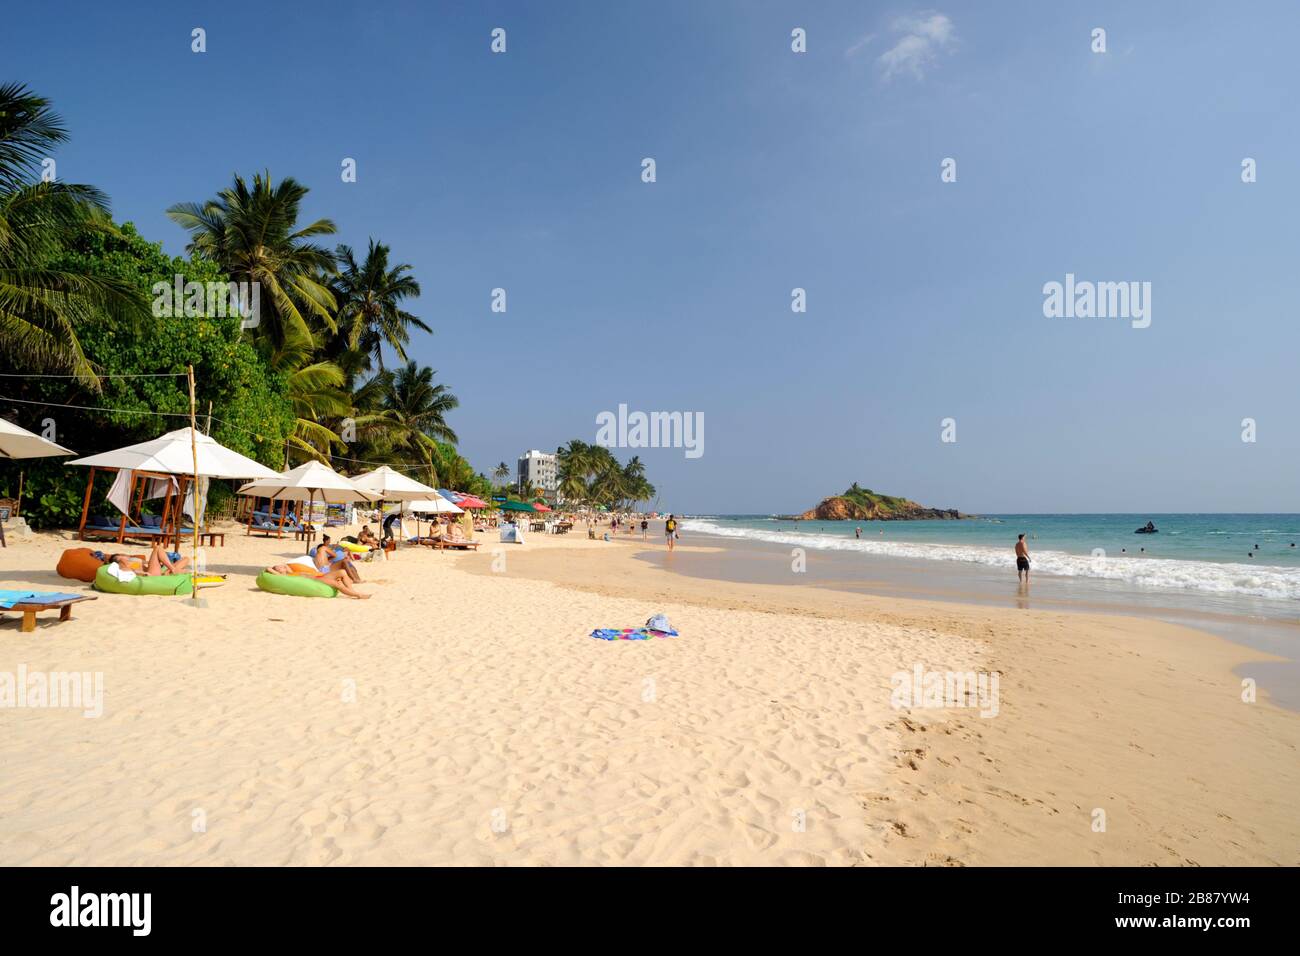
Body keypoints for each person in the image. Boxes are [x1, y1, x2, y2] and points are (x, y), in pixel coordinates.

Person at [265, 563, 370, 599]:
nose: (283, 567)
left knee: (342, 571)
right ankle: (357, 595)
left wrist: (283, 567)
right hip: (314, 581)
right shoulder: (283, 578)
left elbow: (287, 565)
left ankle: (351, 590)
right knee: (336, 583)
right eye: (279, 567)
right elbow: (268, 569)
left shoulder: (290, 572)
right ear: (277, 571)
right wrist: (273, 569)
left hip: (317, 577)